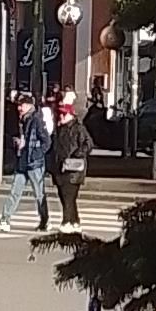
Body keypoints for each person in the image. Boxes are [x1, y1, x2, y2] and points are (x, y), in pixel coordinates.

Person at [0, 91, 50, 231]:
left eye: (22, 105)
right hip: (22, 161)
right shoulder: (22, 120)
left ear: (29, 106)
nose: (19, 108)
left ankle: (45, 221)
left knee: (39, 193)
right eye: (19, 105)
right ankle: (5, 219)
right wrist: (18, 143)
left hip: (34, 162)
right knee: (15, 191)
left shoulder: (36, 120)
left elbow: (46, 141)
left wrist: (36, 153)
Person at [46, 89, 92, 229]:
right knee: (65, 197)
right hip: (60, 168)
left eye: (64, 114)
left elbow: (88, 144)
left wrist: (78, 154)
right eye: (60, 114)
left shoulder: (78, 128)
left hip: (74, 170)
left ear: (71, 115)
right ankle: (74, 221)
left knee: (68, 197)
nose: (61, 116)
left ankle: (66, 222)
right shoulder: (58, 130)